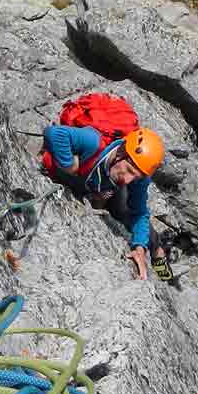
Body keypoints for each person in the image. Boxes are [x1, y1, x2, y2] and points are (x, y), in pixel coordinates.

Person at [41, 115, 165, 279]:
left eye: (134, 176)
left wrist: (139, 248)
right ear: (121, 152)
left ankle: (157, 251)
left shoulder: (138, 176)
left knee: (127, 213)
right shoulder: (93, 142)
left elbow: (140, 212)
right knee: (120, 207)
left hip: (104, 188)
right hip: (85, 181)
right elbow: (53, 133)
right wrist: (69, 166)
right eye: (128, 170)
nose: (127, 180)